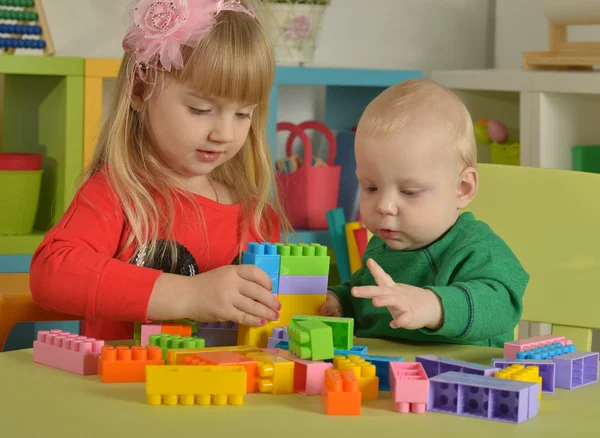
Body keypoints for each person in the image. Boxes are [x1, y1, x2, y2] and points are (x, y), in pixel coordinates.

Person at [30, 0, 291, 341]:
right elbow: (52, 273)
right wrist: (189, 295)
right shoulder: (117, 194)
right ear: (141, 90)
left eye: (243, 114)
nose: (224, 134)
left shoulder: (257, 216)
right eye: (201, 109)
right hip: (127, 391)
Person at [320, 79, 529, 347]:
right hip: (385, 380)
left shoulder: (477, 249)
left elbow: (502, 305)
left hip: (465, 381)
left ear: (462, 189)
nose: (384, 206)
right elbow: (370, 302)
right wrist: (339, 301)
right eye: (371, 187)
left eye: (409, 192)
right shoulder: (384, 246)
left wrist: (432, 306)